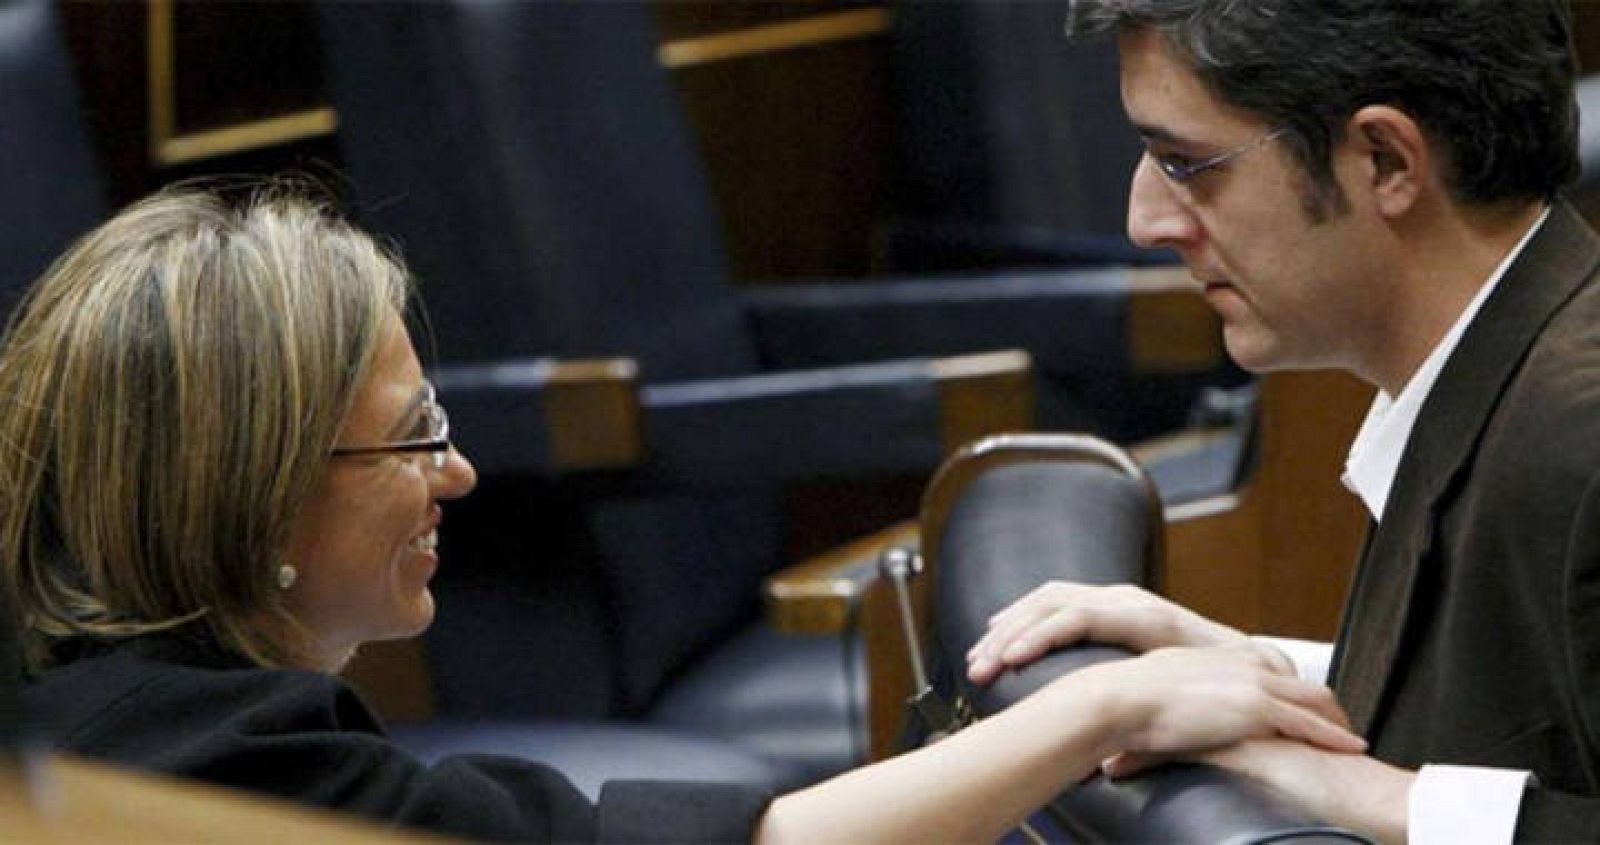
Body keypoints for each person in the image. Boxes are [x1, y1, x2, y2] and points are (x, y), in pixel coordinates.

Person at [0, 185, 1362, 843]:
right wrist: (1109, 710)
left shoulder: (120, 699)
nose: (457, 473)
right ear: (262, 488)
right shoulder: (212, 770)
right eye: (417, 435)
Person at [966, 0, 1600, 842]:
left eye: (1185, 162)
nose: (1145, 221)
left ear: (1384, 160)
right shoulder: (1509, 368)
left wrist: (1351, 787)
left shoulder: (1579, 441)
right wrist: (1259, 672)